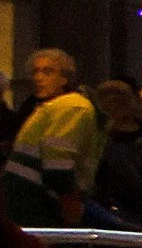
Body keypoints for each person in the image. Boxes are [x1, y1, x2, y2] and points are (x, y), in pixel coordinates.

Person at [9, 49, 100, 212]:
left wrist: (69, 204)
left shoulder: (71, 107)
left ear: (65, 78)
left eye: (47, 72)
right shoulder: (44, 107)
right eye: (35, 72)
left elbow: (58, 166)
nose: (38, 78)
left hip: (43, 201)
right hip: (38, 201)